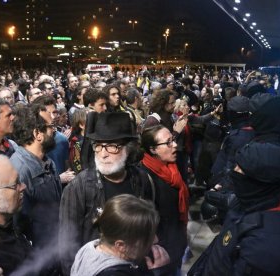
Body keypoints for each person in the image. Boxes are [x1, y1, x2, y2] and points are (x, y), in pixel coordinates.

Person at [188, 142, 280, 276]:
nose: (234, 172)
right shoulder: (252, 201)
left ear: (258, 181)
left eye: (240, 169)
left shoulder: (268, 246)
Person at [59, 112, 153, 276]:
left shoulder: (141, 179)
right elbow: (67, 245)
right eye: (98, 146)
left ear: (127, 149)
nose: (103, 154)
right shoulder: (79, 187)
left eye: (112, 146)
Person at [71, 194, 170, 276]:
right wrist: (158, 273)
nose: (156, 239)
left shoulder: (89, 248)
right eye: (147, 236)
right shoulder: (114, 273)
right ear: (121, 246)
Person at [10, 106, 62, 251]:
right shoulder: (19, 170)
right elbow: (18, 224)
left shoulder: (47, 161)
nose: (55, 131)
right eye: (51, 126)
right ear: (37, 133)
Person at [140, 125, 189, 274]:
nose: (174, 145)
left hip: (178, 242)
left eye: (173, 140)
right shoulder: (143, 177)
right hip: (160, 253)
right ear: (153, 149)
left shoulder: (172, 166)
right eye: (168, 143)